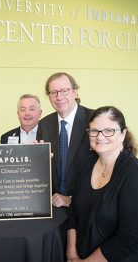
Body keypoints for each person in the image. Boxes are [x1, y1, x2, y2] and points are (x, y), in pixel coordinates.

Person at [66, 106, 138, 262]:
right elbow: (74, 211)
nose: (100, 137)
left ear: (123, 134)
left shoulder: (136, 175)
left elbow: (129, 240)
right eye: (94, 131)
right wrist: (71, 253)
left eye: (109, 130)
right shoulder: (86, 163)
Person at [37, 72, 93, 207]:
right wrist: (37, 157)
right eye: (53, 92)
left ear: (75, 92)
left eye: (64, 91)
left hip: (87, 204)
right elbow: (43, 170)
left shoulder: (94, 120)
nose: (59, 97)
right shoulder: (44, 124)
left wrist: (72, 199)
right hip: (55, 205)